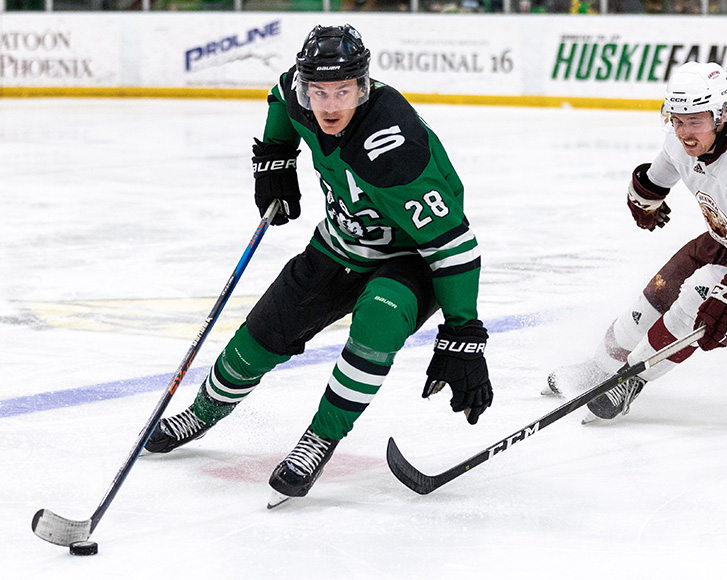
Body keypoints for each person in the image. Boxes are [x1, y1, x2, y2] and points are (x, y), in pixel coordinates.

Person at [144, 24, 493, 505]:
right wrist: (274, 157)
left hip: (409, 260)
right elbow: (279, 96)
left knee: (380, 316)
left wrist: (464, 332)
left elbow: (454, 248)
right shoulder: (298, 93)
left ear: (363, 87)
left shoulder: (396, 151)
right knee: (264, 331)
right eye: (319, 92)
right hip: (338, 245)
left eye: (343, 92)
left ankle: (320, 439)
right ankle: (202, 412)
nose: (329, 106)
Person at [544, 61, 727, 422]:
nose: (684, 132)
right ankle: (601, 367)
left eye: (695, 121)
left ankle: (630, 379)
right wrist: (646, 195)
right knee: (657, 294)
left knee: (701, 291)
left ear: (721, 115)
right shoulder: (680, 137)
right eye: (676, 119)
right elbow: (661, 173)